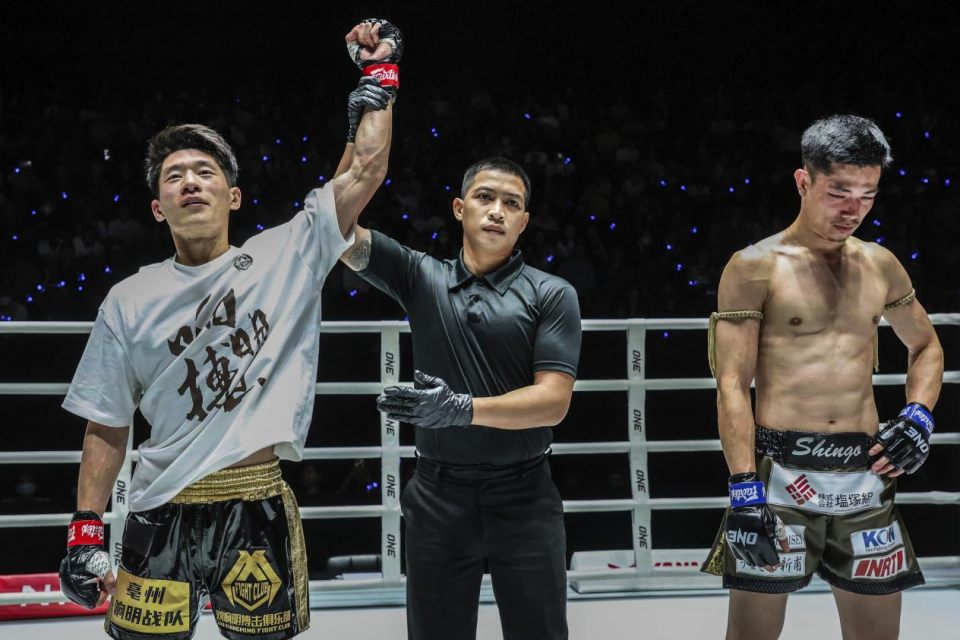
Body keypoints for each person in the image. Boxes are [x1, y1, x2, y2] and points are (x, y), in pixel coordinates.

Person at [57, 19, 400, 639]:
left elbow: (364, 172)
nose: (190, 181)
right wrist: (84, 531)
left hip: (255, 503)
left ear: (234, 197)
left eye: (205, 171)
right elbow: (106, 421)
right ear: (158, 207)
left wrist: (379, 75)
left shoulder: (284, 255)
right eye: (174, 176)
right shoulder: (127, 299)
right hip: (158, 508)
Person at [702, 114, 944, 640]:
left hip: (865, 472)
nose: (852, 210)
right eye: (838, 193)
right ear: (803, 181)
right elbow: (732, 384)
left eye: (867, 196)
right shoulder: (753, 266)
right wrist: (743, 488)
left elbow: (926, 346)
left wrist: (917, 417)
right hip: (779, 476)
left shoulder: (881, 264)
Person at [339, 157, 581, 639]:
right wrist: (357, 143)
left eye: (511, 203)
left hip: (525, 495)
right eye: (485, 197)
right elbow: (336, 227)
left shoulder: (552, 293)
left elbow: (553, 401)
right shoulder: (421, 275)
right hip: (438, 496)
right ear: (459, 207)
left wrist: (462, 409)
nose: (497, 211)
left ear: (524, 221)